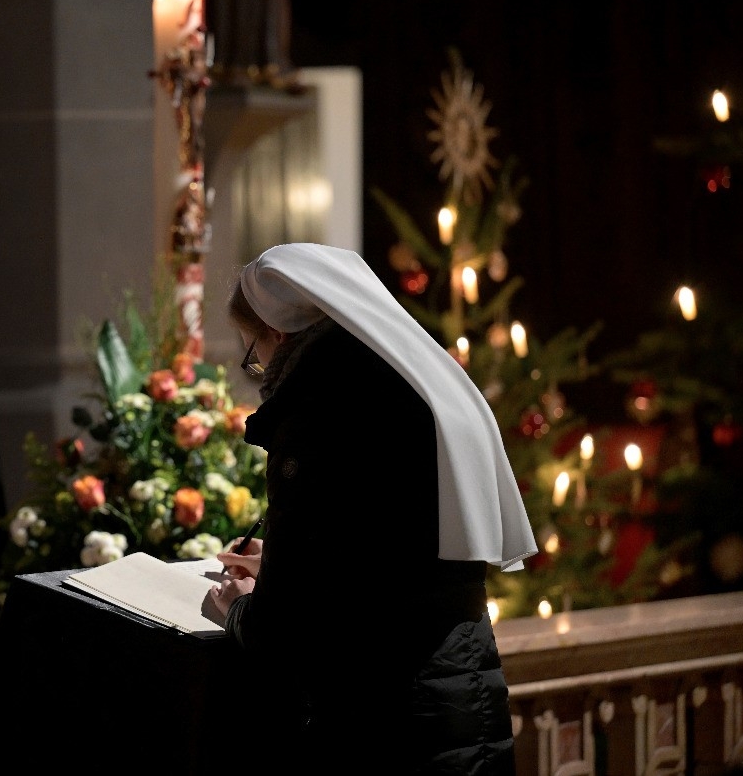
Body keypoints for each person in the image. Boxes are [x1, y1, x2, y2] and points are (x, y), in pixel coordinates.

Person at [205, 242, 537, 773]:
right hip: (462, 695)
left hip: (385, 718)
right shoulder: (406, 386)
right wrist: (289, 562)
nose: (258, 367)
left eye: (253, 352)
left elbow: (285, 629)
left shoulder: (320, 412)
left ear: (280, 333)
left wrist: (239, 605)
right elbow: (387, 564)